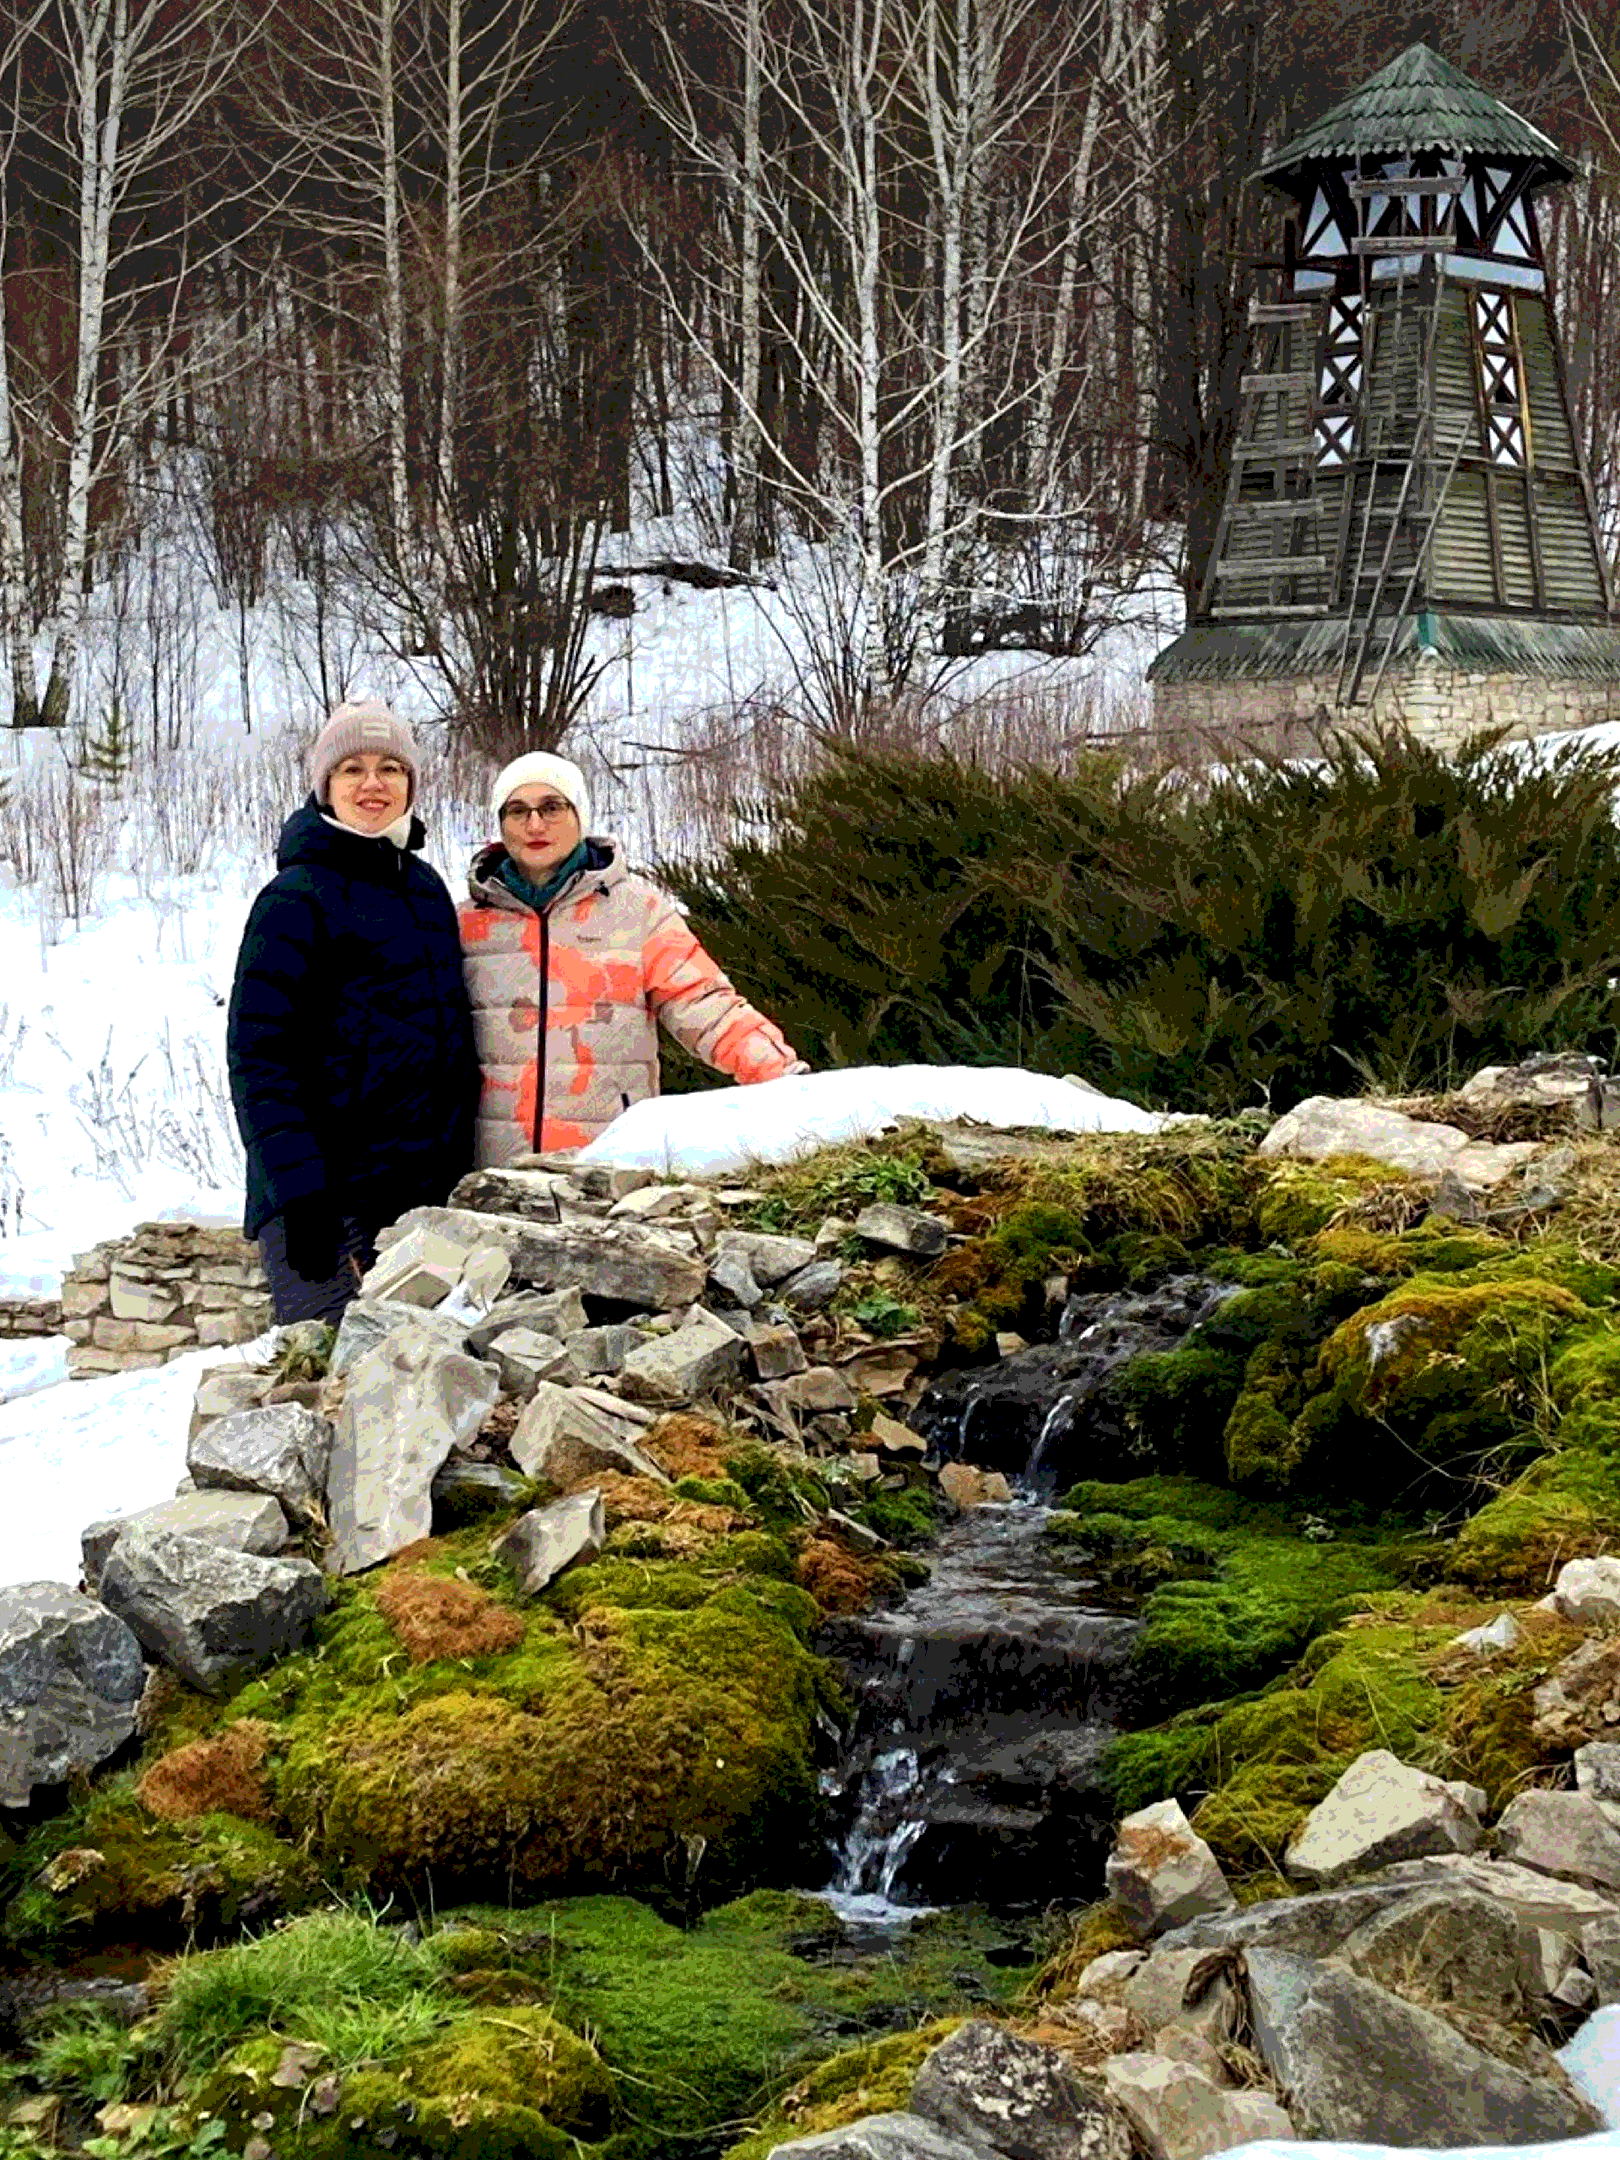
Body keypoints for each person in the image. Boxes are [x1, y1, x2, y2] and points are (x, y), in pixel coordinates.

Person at [227, 699, 480, 1324]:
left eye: (391, 767)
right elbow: (261, 1059)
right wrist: (298, 1197)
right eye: (353, 769)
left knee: (422, 1394)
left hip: (419, 1199)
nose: (373, 783)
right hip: (324, 1205)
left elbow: (445, 1044)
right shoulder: (293, 899)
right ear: (325, 787)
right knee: (334, 1391)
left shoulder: (425, 892)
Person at [460, 750, 806, 1163]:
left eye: (552, 807)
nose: (535, 824)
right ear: (501, 825)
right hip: (491, 1171)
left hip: (609, 1166)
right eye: (518, 811)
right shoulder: (466, 924)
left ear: (579, 814)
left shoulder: (637, 911)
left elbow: (705, 1005)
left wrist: (785, 1082)